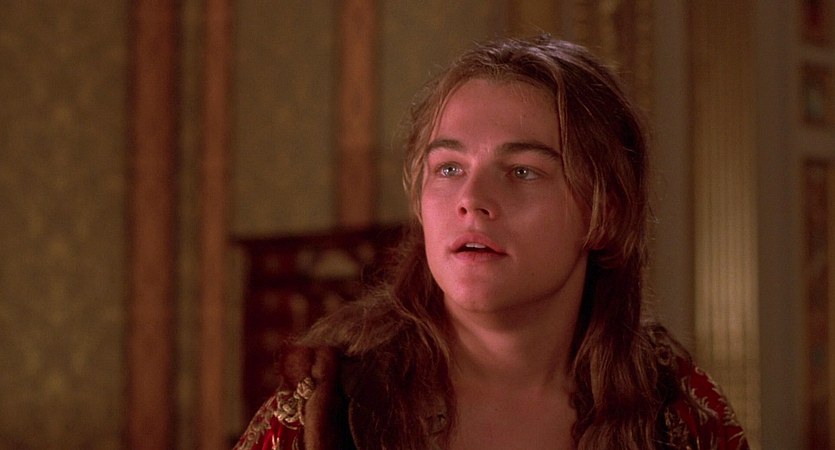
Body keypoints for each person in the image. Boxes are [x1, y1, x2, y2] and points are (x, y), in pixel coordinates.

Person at [233, 35, 749, 450]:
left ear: (604, 211)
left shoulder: (674, 411)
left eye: (522, 171)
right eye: (449, 168)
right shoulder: (330, 407)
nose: (471, 200)